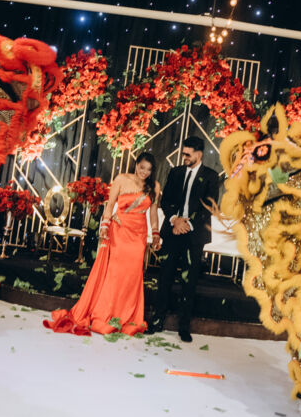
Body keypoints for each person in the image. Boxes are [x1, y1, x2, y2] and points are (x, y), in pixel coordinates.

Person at [44, 155, 161, 336]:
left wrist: (155, 233)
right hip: (120, 231)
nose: (144, 172)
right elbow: (110, 205)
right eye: (142, 167)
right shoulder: (121, 179)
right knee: (115, 273)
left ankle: (126, 316)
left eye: (148, 169)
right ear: (136, 165)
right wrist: (105, 225)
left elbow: (153, 213)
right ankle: (106, 313)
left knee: (132, 275)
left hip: (139, 235)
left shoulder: (154, 186)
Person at [151, 137, 220, 342]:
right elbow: (166, 200)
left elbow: (210, 206)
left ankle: (184, 326)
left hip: (194, 235)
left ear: (199, 154)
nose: (185, 157)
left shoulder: (211, 176)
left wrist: (187, 225)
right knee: (165, 277)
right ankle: (158, 319)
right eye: (183, 154)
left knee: (189, 282)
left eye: (188, 154)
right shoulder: (175, 172)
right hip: (173, 232)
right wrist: (175, 220)